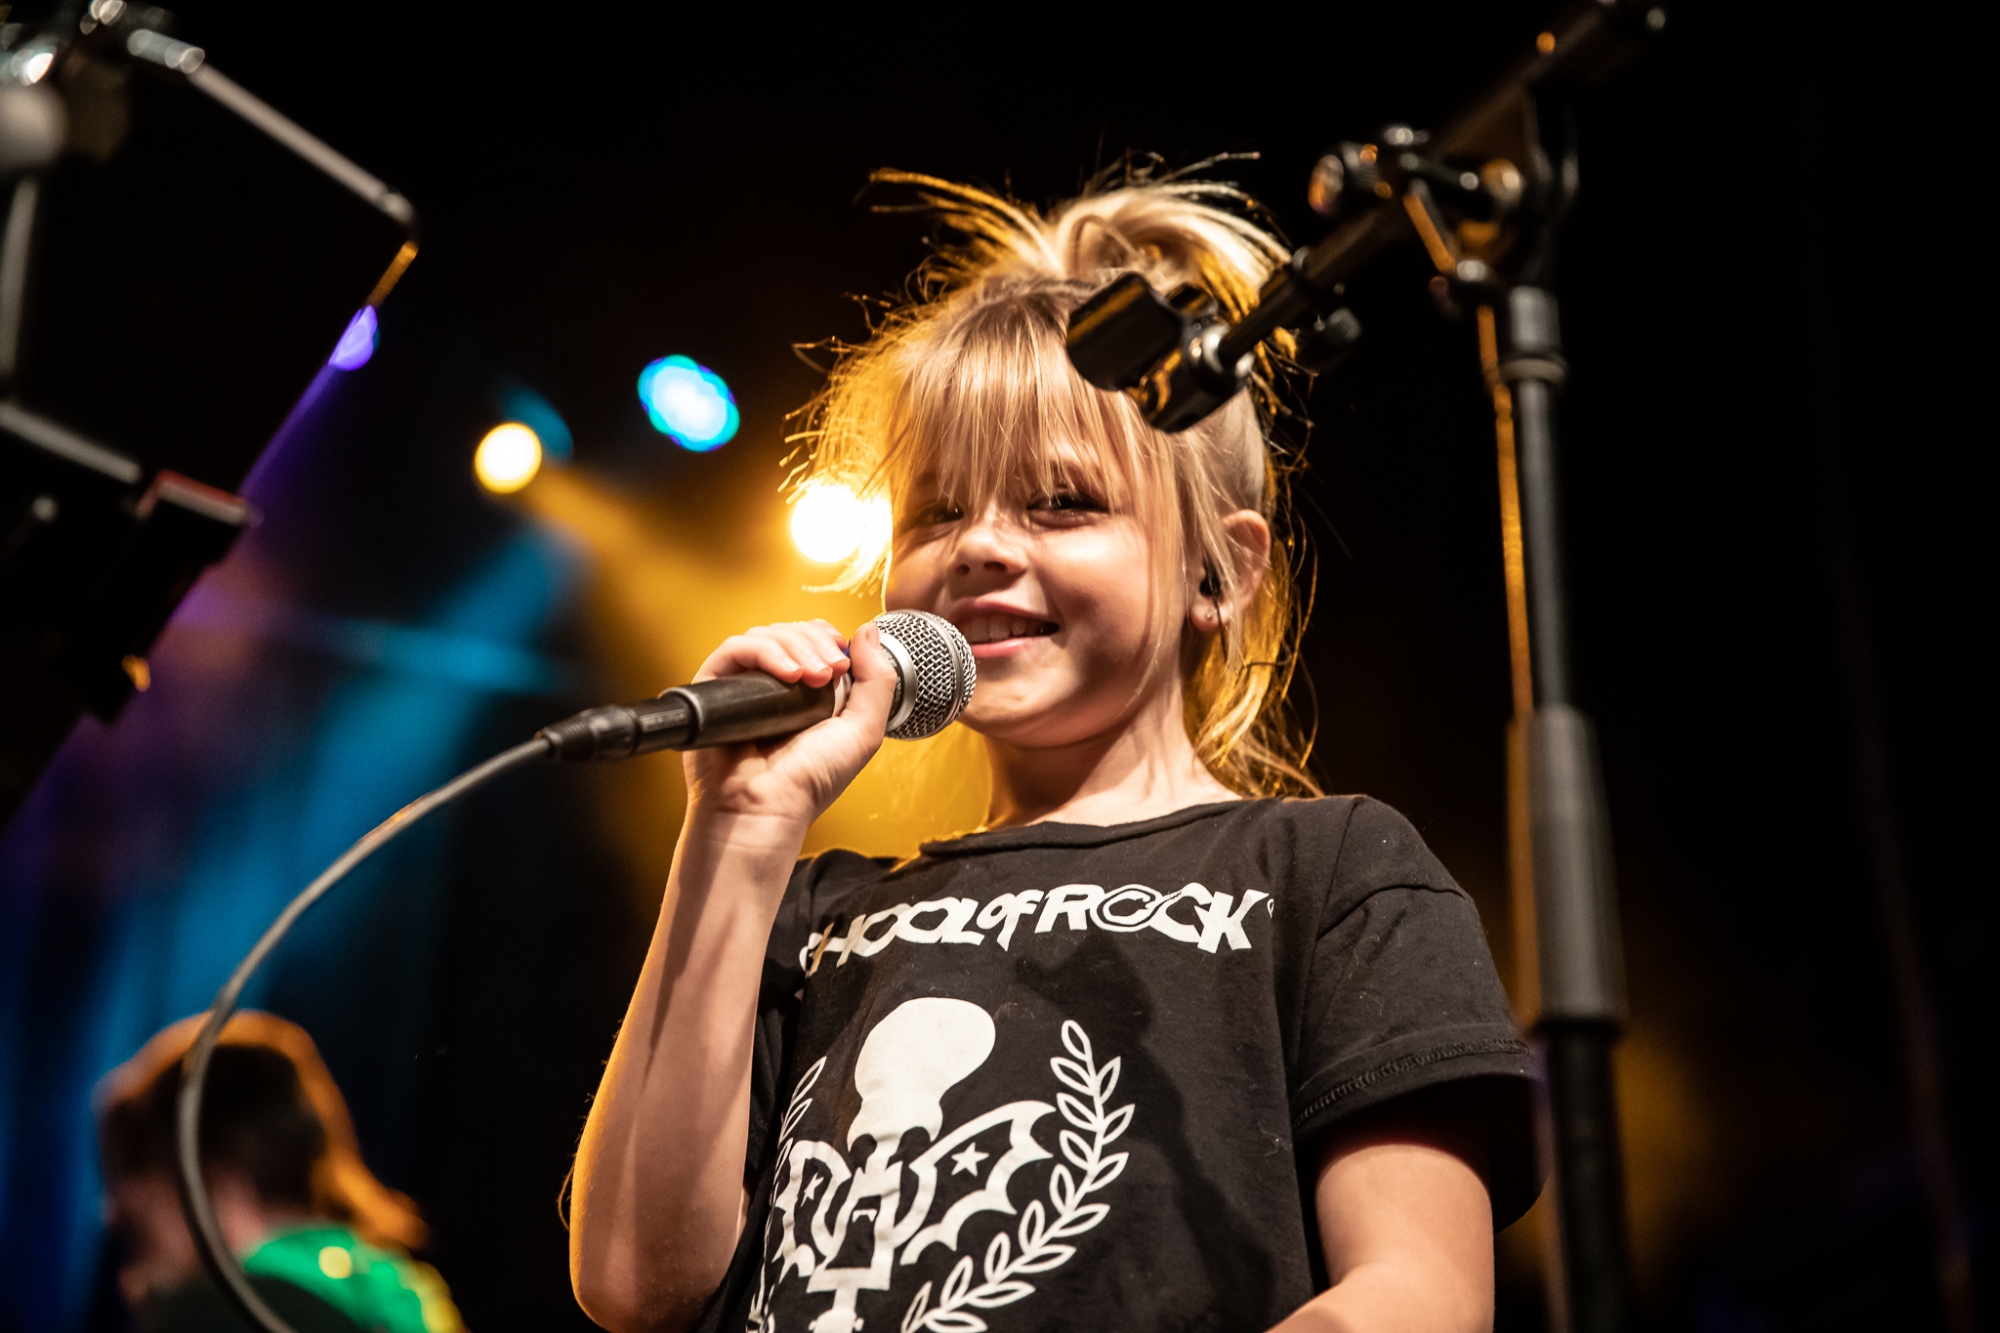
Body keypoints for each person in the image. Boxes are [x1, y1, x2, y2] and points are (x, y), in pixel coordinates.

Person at [568, 168, 1539, 1333]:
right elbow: (632, 1279)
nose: (977, 545)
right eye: (935, 511)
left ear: (1219, 572)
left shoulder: (1325, 872)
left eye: (1060, 502)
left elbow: (1418, 1295)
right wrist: (735, 831)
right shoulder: (814, 908)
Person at [96, 1011, 465, 1333]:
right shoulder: (402, 1299)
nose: (111, 1212)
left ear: (212, 1184)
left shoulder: (224, 1311)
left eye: (132, 1177)